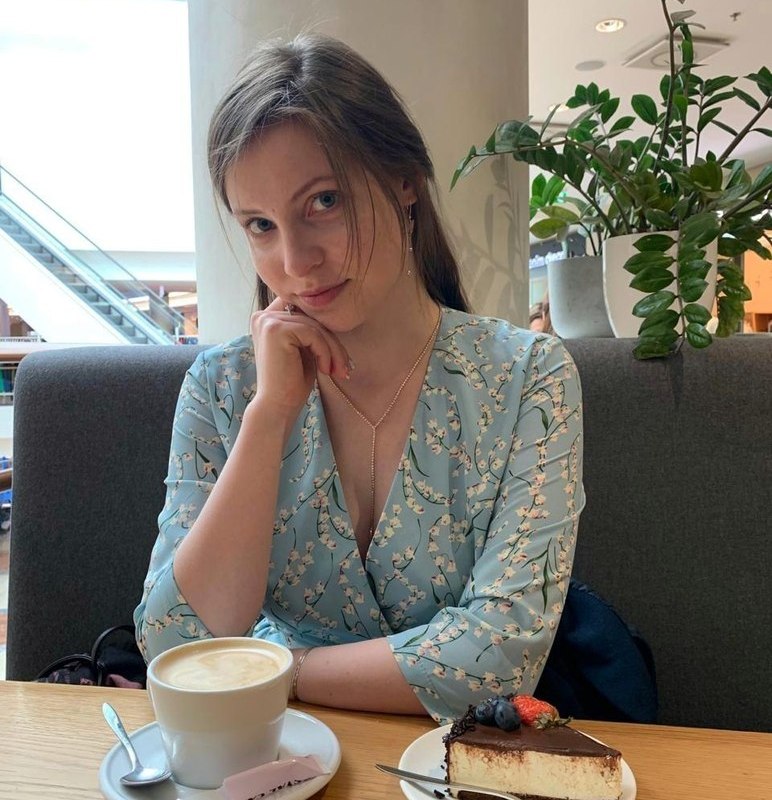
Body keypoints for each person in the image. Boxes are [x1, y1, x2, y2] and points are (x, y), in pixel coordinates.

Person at [134, 33, 584, 725]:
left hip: (451, 763)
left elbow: (499, 656)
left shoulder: (529, 378)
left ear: (404, 181)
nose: (295, 261)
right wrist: (269, 416)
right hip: (269, 759)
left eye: (324, 201)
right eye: (260, 225)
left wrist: (278, 668)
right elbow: (176, 642)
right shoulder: (222, 388)